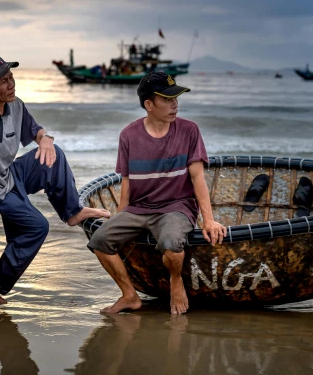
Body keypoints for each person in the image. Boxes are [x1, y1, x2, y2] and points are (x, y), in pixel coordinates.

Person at [0, 54, 110, 305]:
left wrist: (46, 139)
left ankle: (72, 211)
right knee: (37, 227)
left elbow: (35, 131)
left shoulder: (15, 105)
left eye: (11, 77)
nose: (11, 84)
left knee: (54, 154)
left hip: (11, 174)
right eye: (3, 81)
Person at [88, 71, 227, 315]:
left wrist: (208, 219)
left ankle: (175, 281)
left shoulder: (189, 130)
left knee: (171, 244)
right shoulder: (129, 135)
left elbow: (197, 178)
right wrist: (121, 217)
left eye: (176, 98)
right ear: (149, 105)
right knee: (99, 241)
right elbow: (127, 181)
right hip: (139, 208)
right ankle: (129, 296)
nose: (175, 104)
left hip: (177, 206)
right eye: (167, 99)